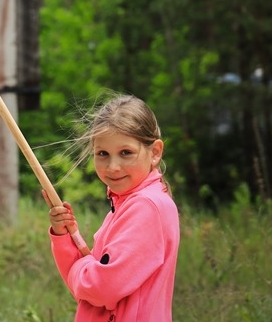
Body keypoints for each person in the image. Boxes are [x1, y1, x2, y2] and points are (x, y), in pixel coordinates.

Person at [43, 94, 179, 322]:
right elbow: (88, 294)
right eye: (102, 154)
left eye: (126, 153)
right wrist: (64, 236)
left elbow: (100, 289)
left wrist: (83, 270)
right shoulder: (126, 202)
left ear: (154, 152)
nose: (113, 167)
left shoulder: (147, 206)